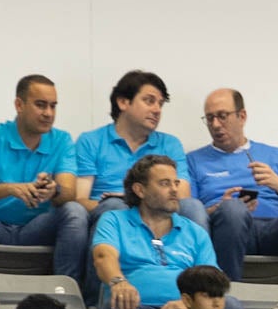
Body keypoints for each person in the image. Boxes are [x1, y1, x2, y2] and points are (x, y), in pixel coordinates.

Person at [0, 73, 88, 288]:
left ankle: (66, 297)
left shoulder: (62, 140)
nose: (48, 114)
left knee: (75, 211)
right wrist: (10, 189)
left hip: (38, 230)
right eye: (41, 105)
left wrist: (54, 191)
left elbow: (70, 192)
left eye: (53, 106)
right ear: (19, 105)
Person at [186, 88, 278, 280]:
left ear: (242, 116)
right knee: (233, 209)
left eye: (222, 116)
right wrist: (220, 207)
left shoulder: (274, 155)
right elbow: (188, 215)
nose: (216, 125)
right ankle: (227, 291)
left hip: (275, 229)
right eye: (210, 118)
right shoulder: (193, 161)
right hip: (228, 229)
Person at [90, 154, 220, 309]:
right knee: (122, 308)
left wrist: (189, 304)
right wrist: (118, 282)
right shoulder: (114, 220)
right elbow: (103, 256)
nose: (175, 189)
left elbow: (212, 281)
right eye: (164, 183)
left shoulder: (194, 232)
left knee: (231, 306)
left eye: (176, 183)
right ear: (140, 190)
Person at [74, 70, 208, 236]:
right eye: (149, 101)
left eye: (160, 104)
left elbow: (181, 195)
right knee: (116, 207)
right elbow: (80, 199)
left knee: (193, 206)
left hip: (158, 212)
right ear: (123, 102)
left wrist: (136, 200)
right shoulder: (91, 141)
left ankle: (202, 262)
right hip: (109, 215)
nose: (157, 110)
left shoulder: (170, 144)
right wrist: (118, 202)